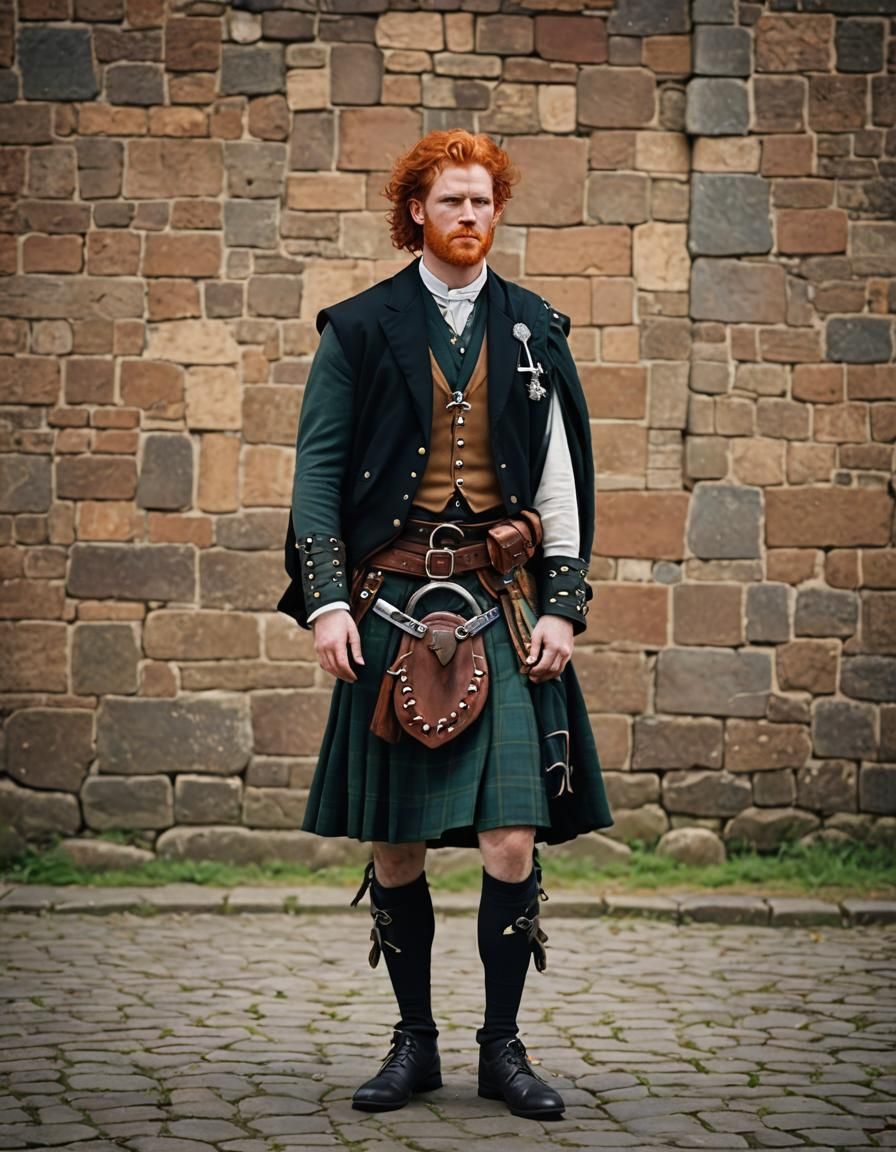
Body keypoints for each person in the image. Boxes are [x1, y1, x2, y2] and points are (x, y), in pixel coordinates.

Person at [279, 130, 612, 1121]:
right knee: (394, 843)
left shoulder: (533, 328)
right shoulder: (358, 328)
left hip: (501, 607)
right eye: (451, 201)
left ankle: (500, 1050)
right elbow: (317, 476)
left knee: (511, 837)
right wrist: (327, 600)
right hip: (385, 602)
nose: (470, 217)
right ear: (414, 211)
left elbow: (559, 479)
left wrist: (563, 602)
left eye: (483, 202)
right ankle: (412, 1042)